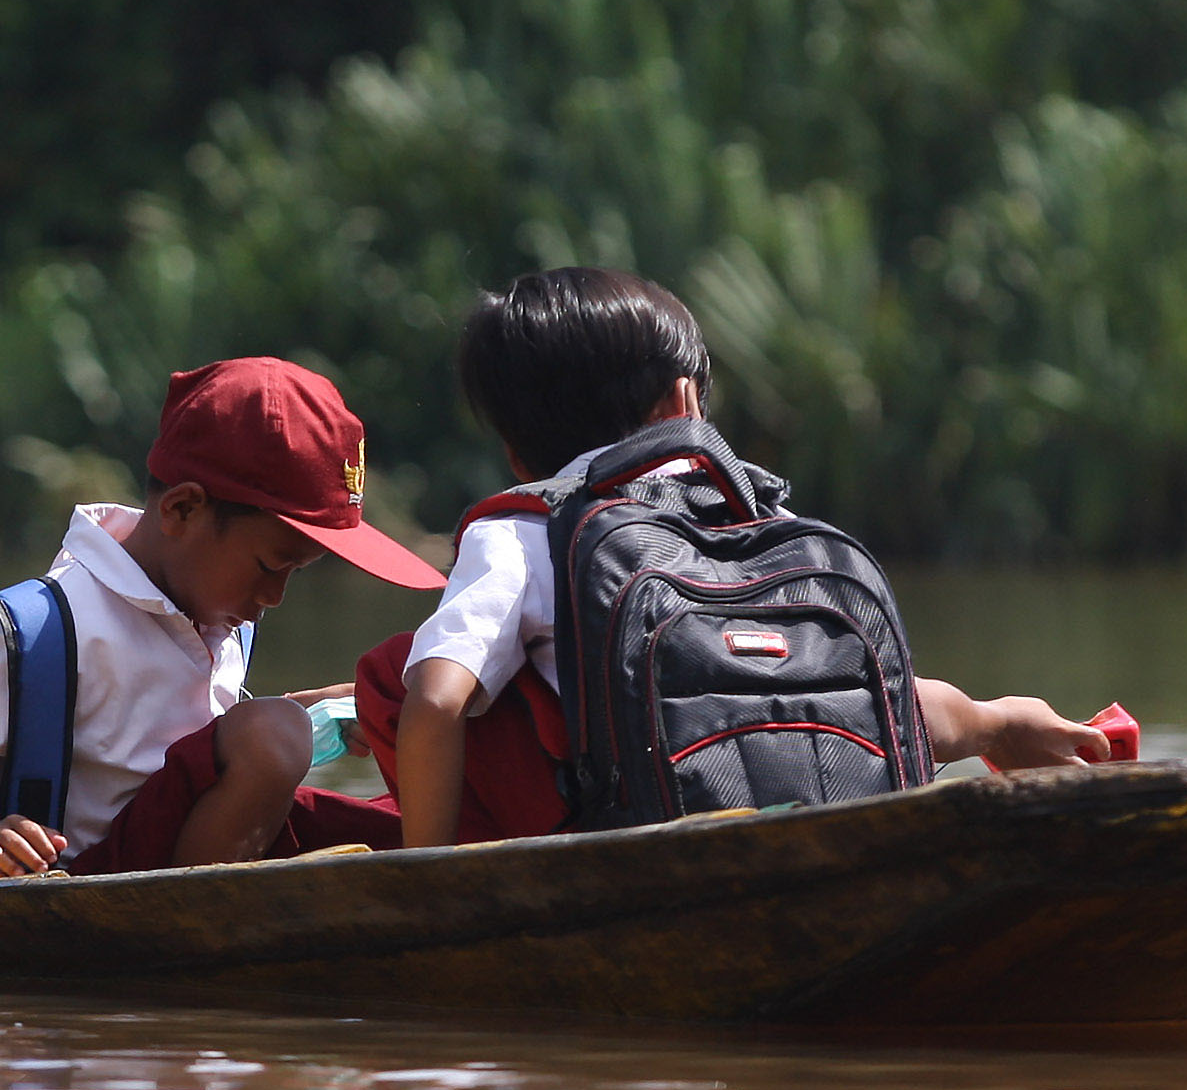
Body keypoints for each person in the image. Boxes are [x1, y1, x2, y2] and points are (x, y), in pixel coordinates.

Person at [358, 267, 1114, 850]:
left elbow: (434, 704)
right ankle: (1000, 720)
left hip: (634, 841)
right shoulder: (769, 519)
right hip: (831, 803)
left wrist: (428, 876)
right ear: (684, 403)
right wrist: (986, 722)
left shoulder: (526, 531)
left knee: (395, 675)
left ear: (513, 450)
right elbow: (860, 690)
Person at [0, 358, 445, 878]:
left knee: (403, 810)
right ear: (182, 509)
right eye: (271, 567)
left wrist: (314, 709)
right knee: (274, 732)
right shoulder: (42, 626)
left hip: (182, 843)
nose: (275, 597)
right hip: (87, 880)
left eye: (292, 574)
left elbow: (188, 741)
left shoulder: (219, 611)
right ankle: (198, 922)